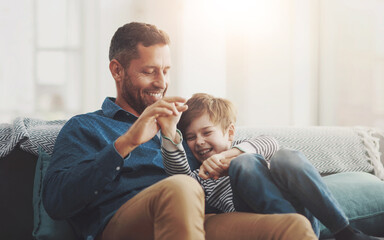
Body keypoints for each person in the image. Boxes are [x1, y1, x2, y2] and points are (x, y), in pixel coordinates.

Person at [42, 22, 317, 240]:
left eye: (166, 71)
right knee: (180, 186)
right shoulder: (86, 127)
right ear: (117, 70)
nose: (161, 83)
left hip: (198, 221)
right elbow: (57, 202)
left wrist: (231, 154)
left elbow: (233, 150)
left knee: (291, 227)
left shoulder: (181, 129)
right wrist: (126, 143)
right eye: (149, 71)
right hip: (122, 224)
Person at [159, 92, 380, 240]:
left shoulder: (244, 147)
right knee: (243, 165)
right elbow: (178, 175)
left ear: (230, 133)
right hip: (265, 219)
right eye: (191, 137)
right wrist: (169, 132)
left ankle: (345, 232)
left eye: (207, 132)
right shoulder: (201, 175)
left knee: (285, 158)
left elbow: (270, 142)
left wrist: (230, 156)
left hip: (300, 213)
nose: (198, 141)